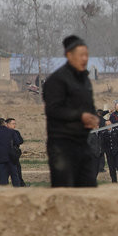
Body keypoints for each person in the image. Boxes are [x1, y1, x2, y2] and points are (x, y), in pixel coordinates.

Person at [42, 35, 100, 187]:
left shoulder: (85, 80)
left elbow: (89, 106)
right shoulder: (57, 80)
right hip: (62, 145)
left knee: (88, 187)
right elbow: (53, 110)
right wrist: (80, 116)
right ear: (69, 55)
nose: (85, 59)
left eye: (86, 55)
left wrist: (93, 117)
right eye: (81, 55)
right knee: (65, 190)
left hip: (83, 143)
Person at [0, 118, 21, 187]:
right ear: (4, 123)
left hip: (0, 157)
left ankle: (4, 190)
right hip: (11, 157)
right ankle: (17, 189)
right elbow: (17, 141)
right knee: (14, 175)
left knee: (3, 177)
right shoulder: (11, 131)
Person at [6, 118, 26, 187]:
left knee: (18, 171)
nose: (14, 125)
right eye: (13, 124)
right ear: (8, 124)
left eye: (15, 124)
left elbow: (20, 141)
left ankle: (20, 184)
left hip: (14, 155)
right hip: (6, 155)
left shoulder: (16, 132)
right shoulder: (5, 132)